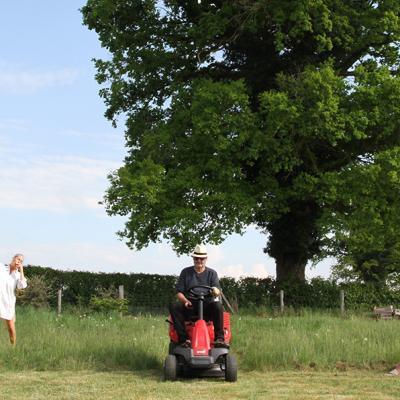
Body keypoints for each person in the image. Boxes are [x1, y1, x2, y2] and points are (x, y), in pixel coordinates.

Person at [169, 244, 226, 347]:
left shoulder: (212, 274)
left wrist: (215, 291)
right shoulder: (186, 272)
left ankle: (219, 339)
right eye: (197, 258)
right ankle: (184, 339)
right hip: (190, 305)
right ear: (193, 258)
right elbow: (179, 292)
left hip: (207, 306)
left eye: (202, 258)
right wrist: (185, 301)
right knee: (174, 306)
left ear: (206, 259)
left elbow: (217, 290)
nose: (199, 261)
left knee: (218, 306)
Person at [0, 254, 28, 345]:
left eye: (21, 261)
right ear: (13, 258)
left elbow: (22, 286)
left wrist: (21, 270)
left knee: (11, 327)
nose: (19, 261)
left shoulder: (18, 275)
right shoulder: (2, 267)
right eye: (18, 259)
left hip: (8, 302)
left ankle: (13, 348)